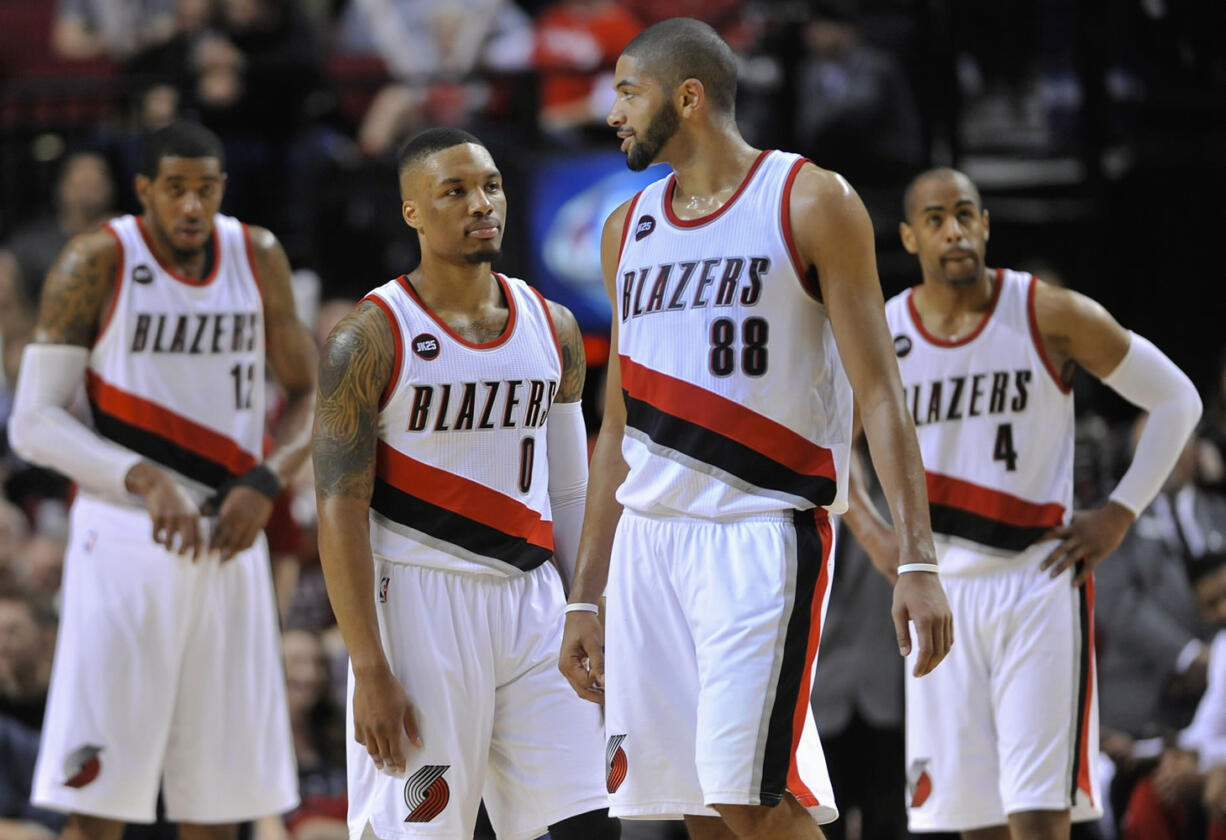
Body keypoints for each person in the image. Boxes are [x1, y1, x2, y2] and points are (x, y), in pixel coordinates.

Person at [558, 17, 953, 840]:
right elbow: (616, 427)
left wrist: (915, 555)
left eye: (629, 91)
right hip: (650, 544)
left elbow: (880, 393)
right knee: (695, 806)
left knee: (748, 795)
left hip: (759, 531)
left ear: (688, 97)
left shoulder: (811, 199)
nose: (614, 112)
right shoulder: (624, 229)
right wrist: (584, 597)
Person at [842, 167, 1203, 840]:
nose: (954, 229)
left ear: (985, 225)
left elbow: (1179, 398)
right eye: (936, 218)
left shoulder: (1046, 312)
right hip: (940, 590)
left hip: (1035, 582)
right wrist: (870, 531)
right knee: (970, 820)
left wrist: (1120, 512)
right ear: (909, 237)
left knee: (1038, 818)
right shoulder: (881, 332)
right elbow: (825, 442)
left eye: (966, 213)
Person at [7, 120, 317, 838]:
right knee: (100, 791)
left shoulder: (256, 254)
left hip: (230, 534)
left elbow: (311, 394)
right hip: (121, 537)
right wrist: (142, 478)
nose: (190, 206)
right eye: (174, 188)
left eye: (205, 190)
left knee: (218, 795)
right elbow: (33, 421)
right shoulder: (97, 259)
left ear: (221, 191)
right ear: (144, 189)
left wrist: (268, 480)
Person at [312, 127, 618, 840]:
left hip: (535, 601)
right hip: (419, 606)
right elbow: (339, 510)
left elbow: (569, 492)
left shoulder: (554, 324)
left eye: (490, 186)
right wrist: (369, 667)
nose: (481, 204)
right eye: (454, 191)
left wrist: (585, 609)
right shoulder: (369, 336)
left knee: (593, 823)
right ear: (412, 211)